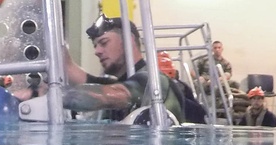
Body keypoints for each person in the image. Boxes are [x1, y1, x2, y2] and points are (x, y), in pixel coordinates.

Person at [17, 14, 205, 124]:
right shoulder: (121, 81)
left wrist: (49, 99)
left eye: (104, 43)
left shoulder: (152, 80)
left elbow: (108, 95)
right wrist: (47, 8)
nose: (97, 51)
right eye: (95, 46)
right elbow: (69, 68)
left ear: (129, 40)